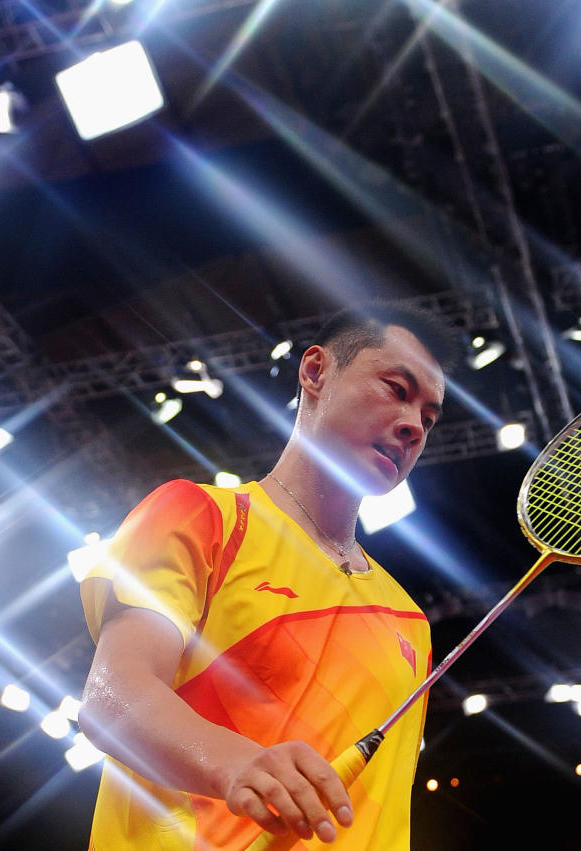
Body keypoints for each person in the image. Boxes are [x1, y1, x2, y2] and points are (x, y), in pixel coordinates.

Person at [79, 302, 456, 851]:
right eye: (397, 389)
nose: (412, 426)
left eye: (428, 417)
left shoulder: (410, 622)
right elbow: (113, 700)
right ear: (316, 372)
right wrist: (236, 765)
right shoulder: (203, 516)